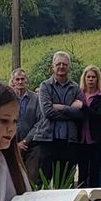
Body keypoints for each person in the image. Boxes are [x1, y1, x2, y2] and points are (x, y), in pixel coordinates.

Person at [36, 51, 84, 183]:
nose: (61, 66)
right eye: (58, 64)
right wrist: (71, 110)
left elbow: (81, 113)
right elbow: (47, 112)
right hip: (48, 139)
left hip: (69, 141)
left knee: (66, 181)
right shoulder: (45, 86)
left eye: (64, 64)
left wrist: (62, 107)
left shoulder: (75, 88)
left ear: (69, 67)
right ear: (53, 66)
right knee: (43, 181)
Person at [77, 65, 101, 188]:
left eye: (93, 77)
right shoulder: (78, 95)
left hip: (96, 139)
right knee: (82, 172)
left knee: (95, 171)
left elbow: (99, 115)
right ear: (84, 78)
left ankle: (93, 196)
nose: (90, 79)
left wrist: (83, 107)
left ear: (97, 79)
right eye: (88, 77)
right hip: (80, 139)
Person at [11, 69, 42, 185]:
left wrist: (25, 141)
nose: (20, 82)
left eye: (22, 79)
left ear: (27, 81)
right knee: (14, 180)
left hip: (32, 145)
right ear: (13, 82)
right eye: (17, 79)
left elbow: (40, 121)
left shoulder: (36, 98)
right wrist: (15, 144)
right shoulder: (8, 98)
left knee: (31, 180)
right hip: (12, 145)